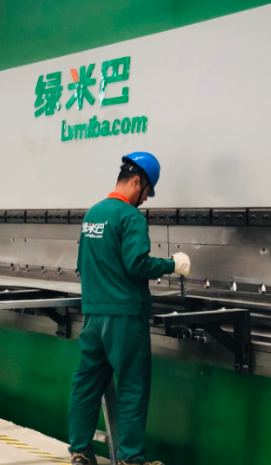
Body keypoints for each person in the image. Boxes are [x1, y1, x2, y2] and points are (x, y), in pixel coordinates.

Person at [68, 152, 191, 465]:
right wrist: (172, 264)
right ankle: (131, 459)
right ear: (137, 181)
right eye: (147, 191)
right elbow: (137, 263)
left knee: (86, 384)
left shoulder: (93, 214)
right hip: (125, 319)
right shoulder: (130, 217)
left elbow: (81, 264)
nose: (145, 199)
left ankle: (80, 452)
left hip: (93, 316)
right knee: (132, 387)